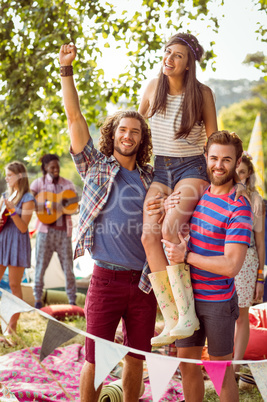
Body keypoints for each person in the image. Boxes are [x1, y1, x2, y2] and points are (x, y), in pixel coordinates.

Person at [59, 43, 173, 402]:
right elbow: (75, 118)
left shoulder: (152, 178)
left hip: (143, 283)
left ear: (142, 139)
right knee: (95, 359)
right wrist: (66, 71)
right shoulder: (95, 165)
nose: (128, 135)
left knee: (137, 359)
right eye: (123, 130)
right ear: (114, 133)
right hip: (105, 278)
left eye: (135, 131)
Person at [138, 32, 218, 346]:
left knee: (170, 228)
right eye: (167, 53)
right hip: (161, 169)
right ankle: (171, 317)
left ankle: (188, 314)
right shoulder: (152, 88)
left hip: (192, 167)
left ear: (188, 65)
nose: (169, 59)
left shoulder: (202, 93)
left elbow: (213, 139)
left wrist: (222, 180)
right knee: (148, 234)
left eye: (178, 56)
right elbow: (135, 127)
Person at [162, 131, 253, 402]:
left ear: (237, 162)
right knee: (187, 367)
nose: (219, 165)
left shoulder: (239, 207)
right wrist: (169, 206)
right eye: (214, 158)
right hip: (187, 297)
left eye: (227, 159)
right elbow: (175, 228)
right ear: (205, 157)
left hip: (217, 301)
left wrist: (185, 257)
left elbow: (231, 266)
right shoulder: (199, 193)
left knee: (220, 374)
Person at [30, 154, 77, 309]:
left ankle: (72, 301)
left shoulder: (68, 184)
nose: (56, 170)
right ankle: (38, 300)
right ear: (45, 168)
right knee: (40, 266)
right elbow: (29, 200)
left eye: (57, 166)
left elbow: (74, 205)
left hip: (64, 233)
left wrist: (65, 205)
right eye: (52, 167)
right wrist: (48, 204)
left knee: (68, 269)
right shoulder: (38, 183)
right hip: (45, 232)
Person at [233, 151, 265, 374]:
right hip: (218, 257)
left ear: (249, 174)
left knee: (241, 315)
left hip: (247, 260)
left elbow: (261, 243)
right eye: (235, 171)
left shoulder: (255, 200)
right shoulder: (215, 192)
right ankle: (219, 357)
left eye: (242, 172)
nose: (237, 176)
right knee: (218, 312)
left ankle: (234, 366)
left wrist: (260, 277)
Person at [0, 162, 35, 345]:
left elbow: (23, 227)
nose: (6, 178)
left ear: (19, 176)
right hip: (2, 241)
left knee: (14, 286)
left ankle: (11, 329)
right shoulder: (5, 195)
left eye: (9, 175)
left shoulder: (28, 198)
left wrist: (12, 209)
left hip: (17, 242)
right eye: (6, 175)